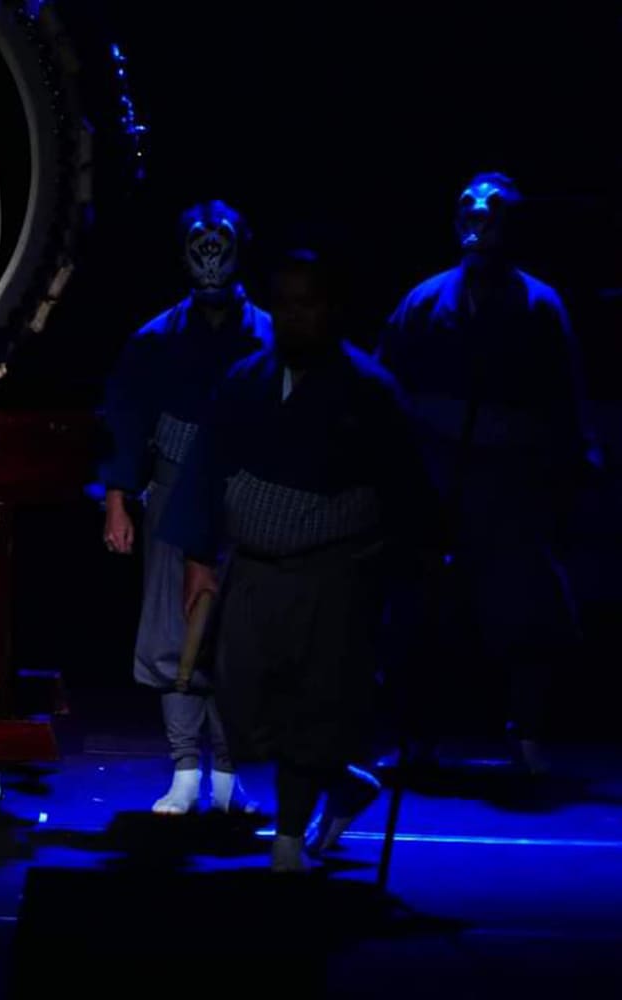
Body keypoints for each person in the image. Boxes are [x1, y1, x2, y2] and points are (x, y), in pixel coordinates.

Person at [162, 248, 433, 872]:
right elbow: (207, 467)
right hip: (255, 570)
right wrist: (198, 556)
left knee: (316, 703)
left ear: (332, 309)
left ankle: (287, 839)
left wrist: (417, 560)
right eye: (283, 305)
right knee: (242, 703)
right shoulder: (246, 379)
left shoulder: (370, 389)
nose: (293, 318)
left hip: (334, 572)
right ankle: (343, 780)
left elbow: (406, 488)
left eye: (307, 305)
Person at [379, 173, 596, 775]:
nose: (478, 214)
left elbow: (565, 403)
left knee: (527, 615)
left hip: (511, 494)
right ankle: (415, 737)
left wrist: (564, 466)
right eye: (468, 207)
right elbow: (383, 389)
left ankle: (525, 733)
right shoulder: (423, 302)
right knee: (420, 617)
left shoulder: (540, 306)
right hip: (434, 489)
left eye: (492, 208)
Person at [99, 201, 271, 814]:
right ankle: (183, 769)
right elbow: (125, 421)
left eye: (222, 242)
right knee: (172, 633)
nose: (211, 256)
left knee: (235, 637)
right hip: (173, 492)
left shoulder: (268, 334)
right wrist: (118, 500)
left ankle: (226, 775)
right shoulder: (155, 338)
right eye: (199, 244)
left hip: (247, 498)